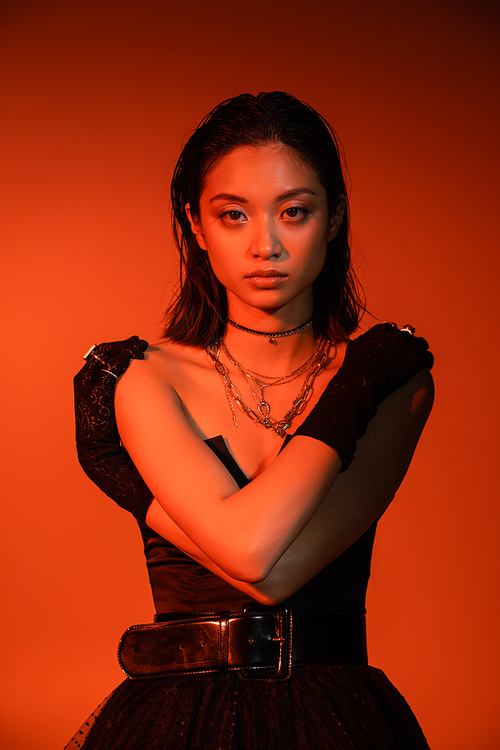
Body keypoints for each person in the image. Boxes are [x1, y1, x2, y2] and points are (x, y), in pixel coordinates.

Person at [68, 91, 434, 749]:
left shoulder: (397, 384)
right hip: (172, 721)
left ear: (334, 217)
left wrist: (358, 380)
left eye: (294, 212)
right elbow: (251, 552)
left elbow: (273, 569)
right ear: (197, 226)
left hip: (339, 715)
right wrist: (353, 388)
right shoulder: (144, 376)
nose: (265, 245)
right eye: (232, 215)